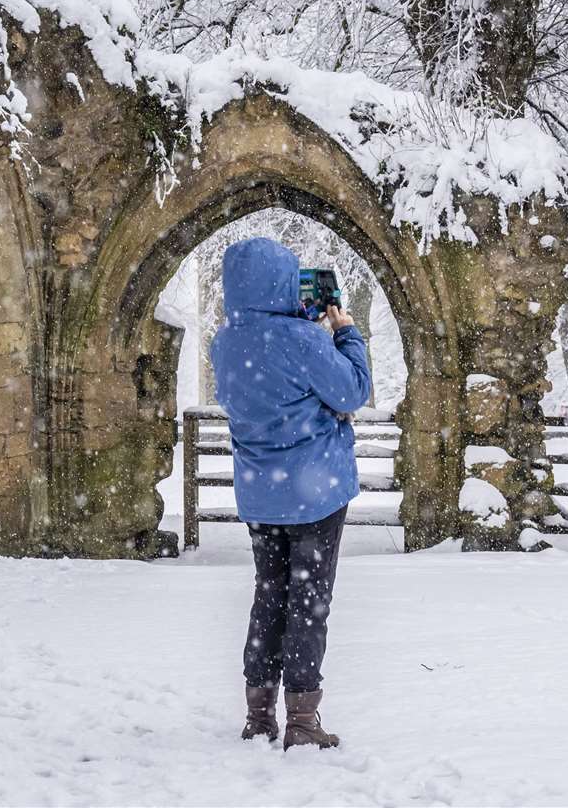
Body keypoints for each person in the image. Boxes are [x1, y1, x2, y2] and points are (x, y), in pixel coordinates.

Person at [209, 236, 372, 751]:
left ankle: (259, 715)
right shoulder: (303, 341)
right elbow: (352, 391)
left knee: (269, 596)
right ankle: (303, 718)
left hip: (260, 494)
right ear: (282, 284)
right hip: (315, 492)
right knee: (308, 602)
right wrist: (345, 334)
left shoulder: (225, 342)